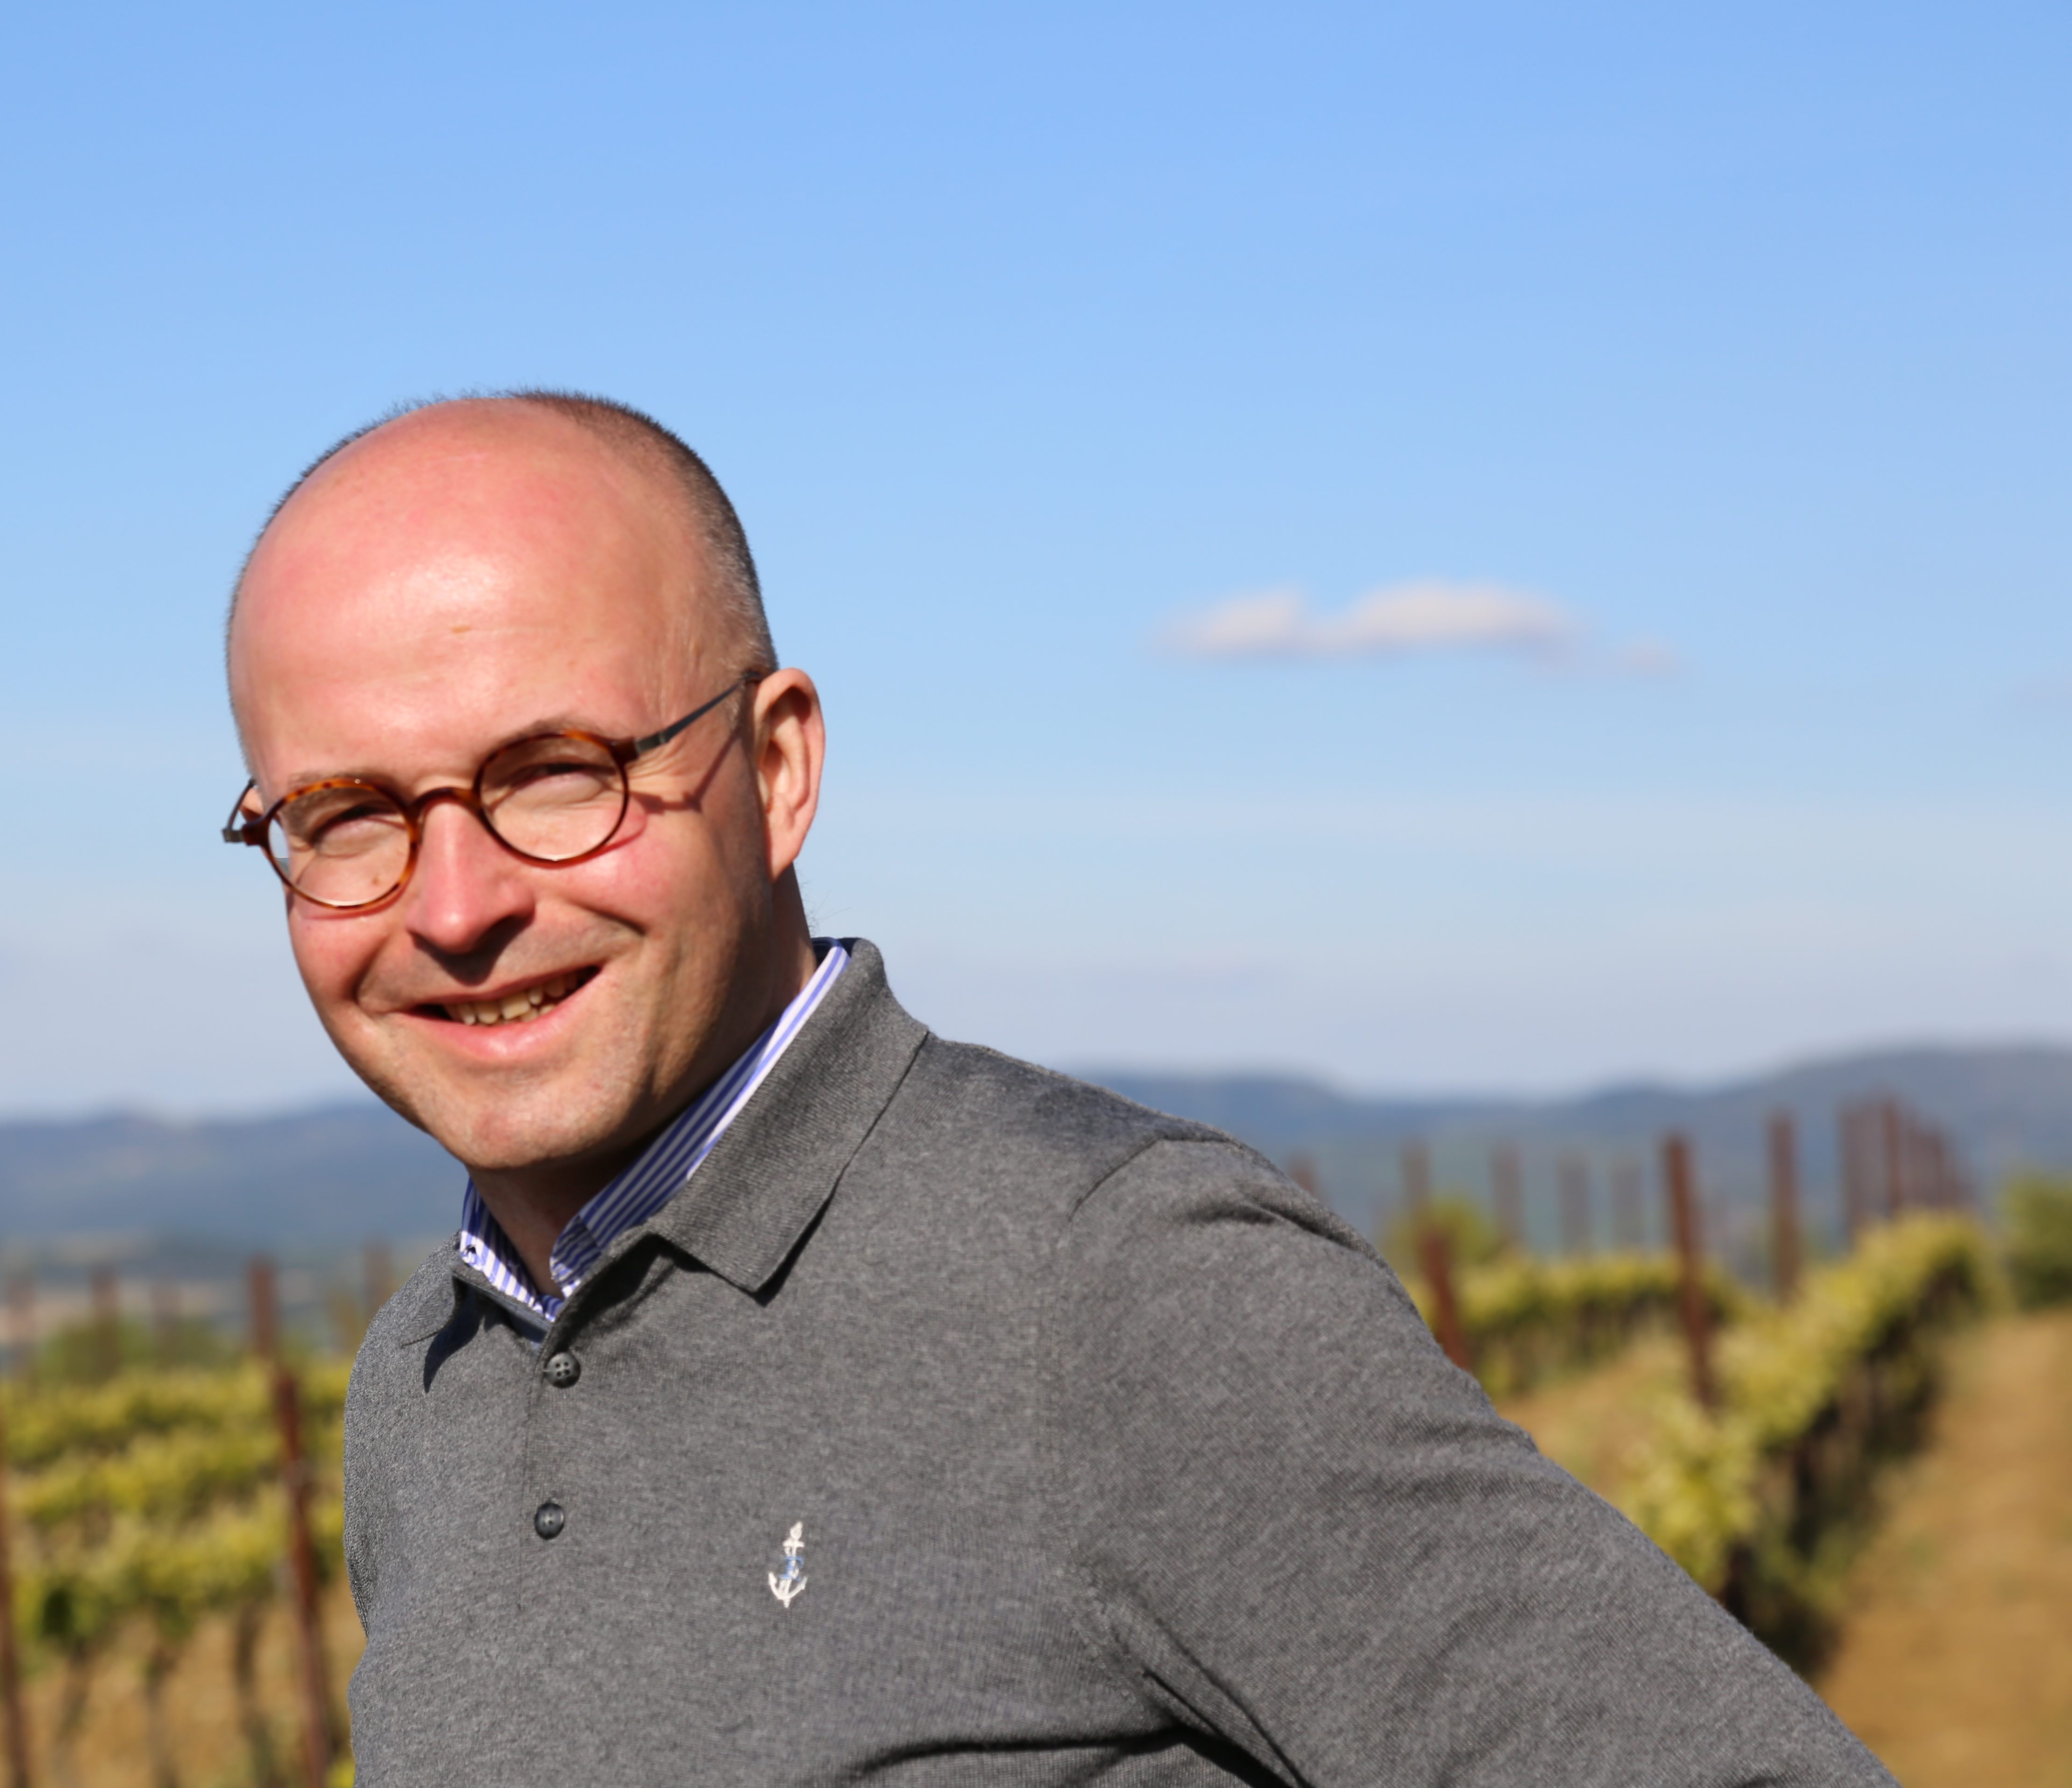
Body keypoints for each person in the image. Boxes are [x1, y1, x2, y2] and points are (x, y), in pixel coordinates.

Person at [221, 393, 1889, 1785]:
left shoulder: (1115, 1291)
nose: (456, 909)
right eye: (346, 818)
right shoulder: (420, 1388)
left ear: (778, 771)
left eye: (556, 777)